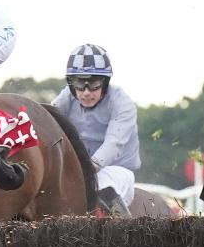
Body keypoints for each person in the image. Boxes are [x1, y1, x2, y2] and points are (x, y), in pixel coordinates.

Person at [51, 44, 140, 215]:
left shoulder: (122, 103)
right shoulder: (67, 97)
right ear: (71, 84)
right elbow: (47, 121)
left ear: (105, 83)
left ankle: (126, 230)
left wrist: (85, 168)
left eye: (93, 85)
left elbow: (113, 144)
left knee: (100, 183)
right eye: (79, 84)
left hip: (118, 171)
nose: (86, 92)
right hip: (82, 169)